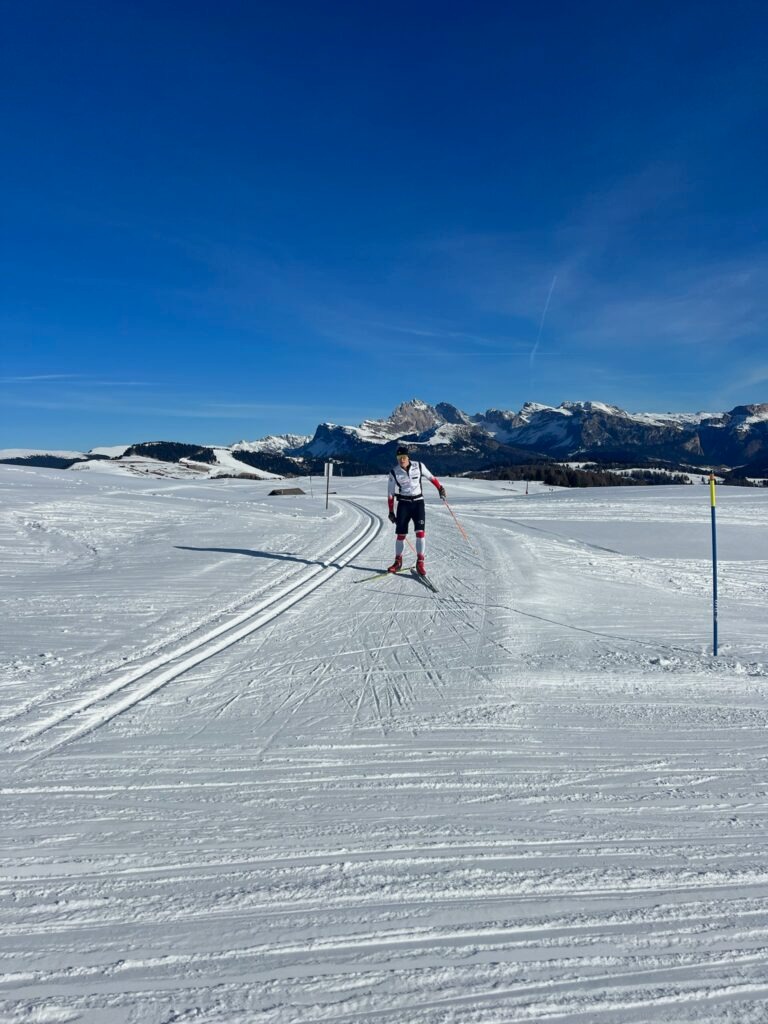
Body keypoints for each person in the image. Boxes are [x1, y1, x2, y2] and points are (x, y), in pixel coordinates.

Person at [387, 445, 446, 576]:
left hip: (418, 503)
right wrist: (391, 511)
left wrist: (440, 488)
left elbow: (431, 477)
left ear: (408, 457)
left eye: (403, 457)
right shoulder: (394, 472)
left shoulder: (418, 466)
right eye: (399, 458)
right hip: (403, 504)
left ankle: (420, 562)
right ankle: (398, 562)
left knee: (420, 533)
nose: (401, 460)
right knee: (401, 535)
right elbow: (391, 493)